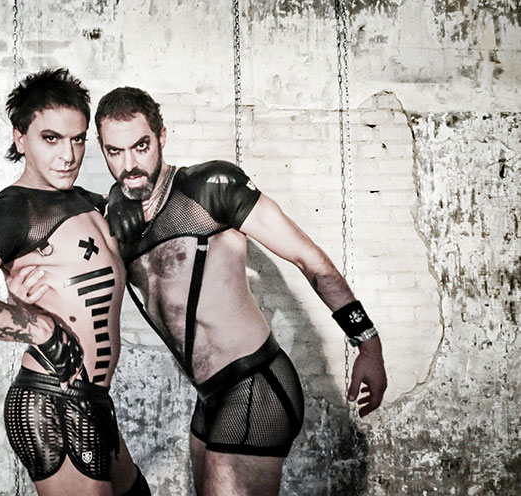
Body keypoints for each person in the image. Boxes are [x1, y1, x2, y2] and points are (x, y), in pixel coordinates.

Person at [94, 87, 387, 495]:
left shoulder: (210, 188)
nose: (130, 165)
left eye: (141, 146)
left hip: (254, 384)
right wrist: (115, 198)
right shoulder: (118, 218)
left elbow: (308, 258)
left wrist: (367, 343)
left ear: (162, 136)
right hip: (209, 397)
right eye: (115, 152)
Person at [0, 69, 150, 496]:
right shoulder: (15, 209)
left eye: (78, 139)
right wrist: (36, 326)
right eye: (51, 139)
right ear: (20, 138)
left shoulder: (86, 201)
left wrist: (121, 197)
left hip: (93, 399)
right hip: (51, 399)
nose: (68, 155)